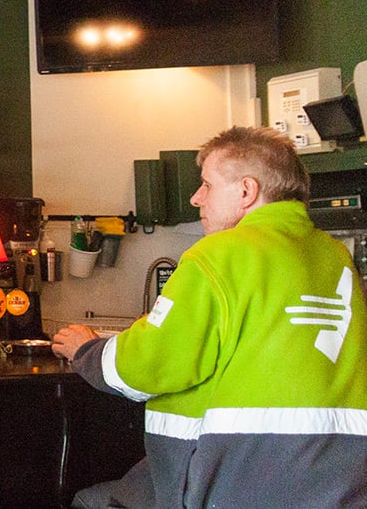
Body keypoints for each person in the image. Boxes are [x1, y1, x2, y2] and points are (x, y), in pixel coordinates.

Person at [53, 126, 367, 509]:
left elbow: (147, 366)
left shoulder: (217, 255)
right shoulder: (336, 257)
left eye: (207, 185)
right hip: (340, 482)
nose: (196, 197)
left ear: (246, 191)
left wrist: (87, 349)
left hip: (239, 480)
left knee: (91, 501)